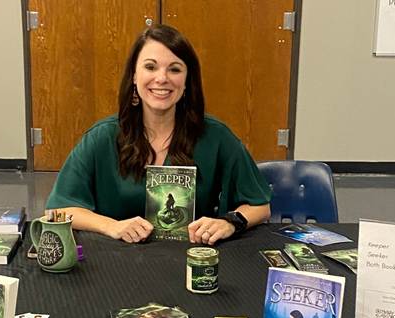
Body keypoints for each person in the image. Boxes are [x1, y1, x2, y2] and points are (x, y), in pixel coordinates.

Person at [45, 24, 271, 244]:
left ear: (187, 80)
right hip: (116, 260)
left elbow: (260, 206)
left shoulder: (216, 136)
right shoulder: (101, 137)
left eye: (174, 69)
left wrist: (229, 223)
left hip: (190, 257)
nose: (162, 78)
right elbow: (58, 209)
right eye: (150, 67)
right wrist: (112, 226)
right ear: (134, 75)